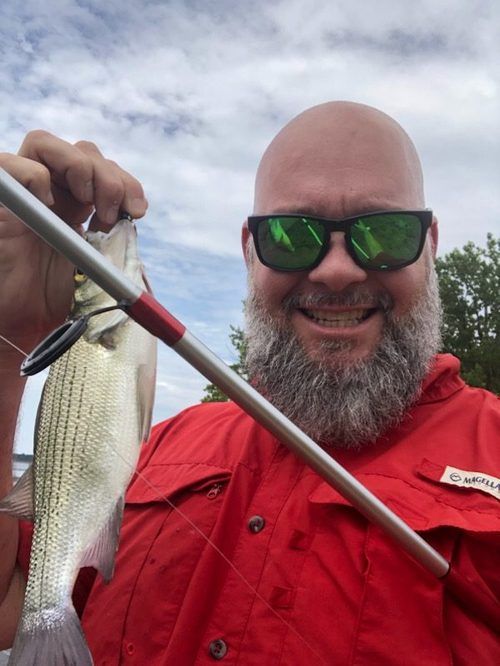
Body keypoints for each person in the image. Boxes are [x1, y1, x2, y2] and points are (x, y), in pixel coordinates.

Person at [0, 102, 498, 664]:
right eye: (290, 236)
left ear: (430, 246)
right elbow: (9, 607)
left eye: (385, 233)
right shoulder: (156, 444)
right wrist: (3, 339)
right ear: (249, 252)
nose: (337, 270)